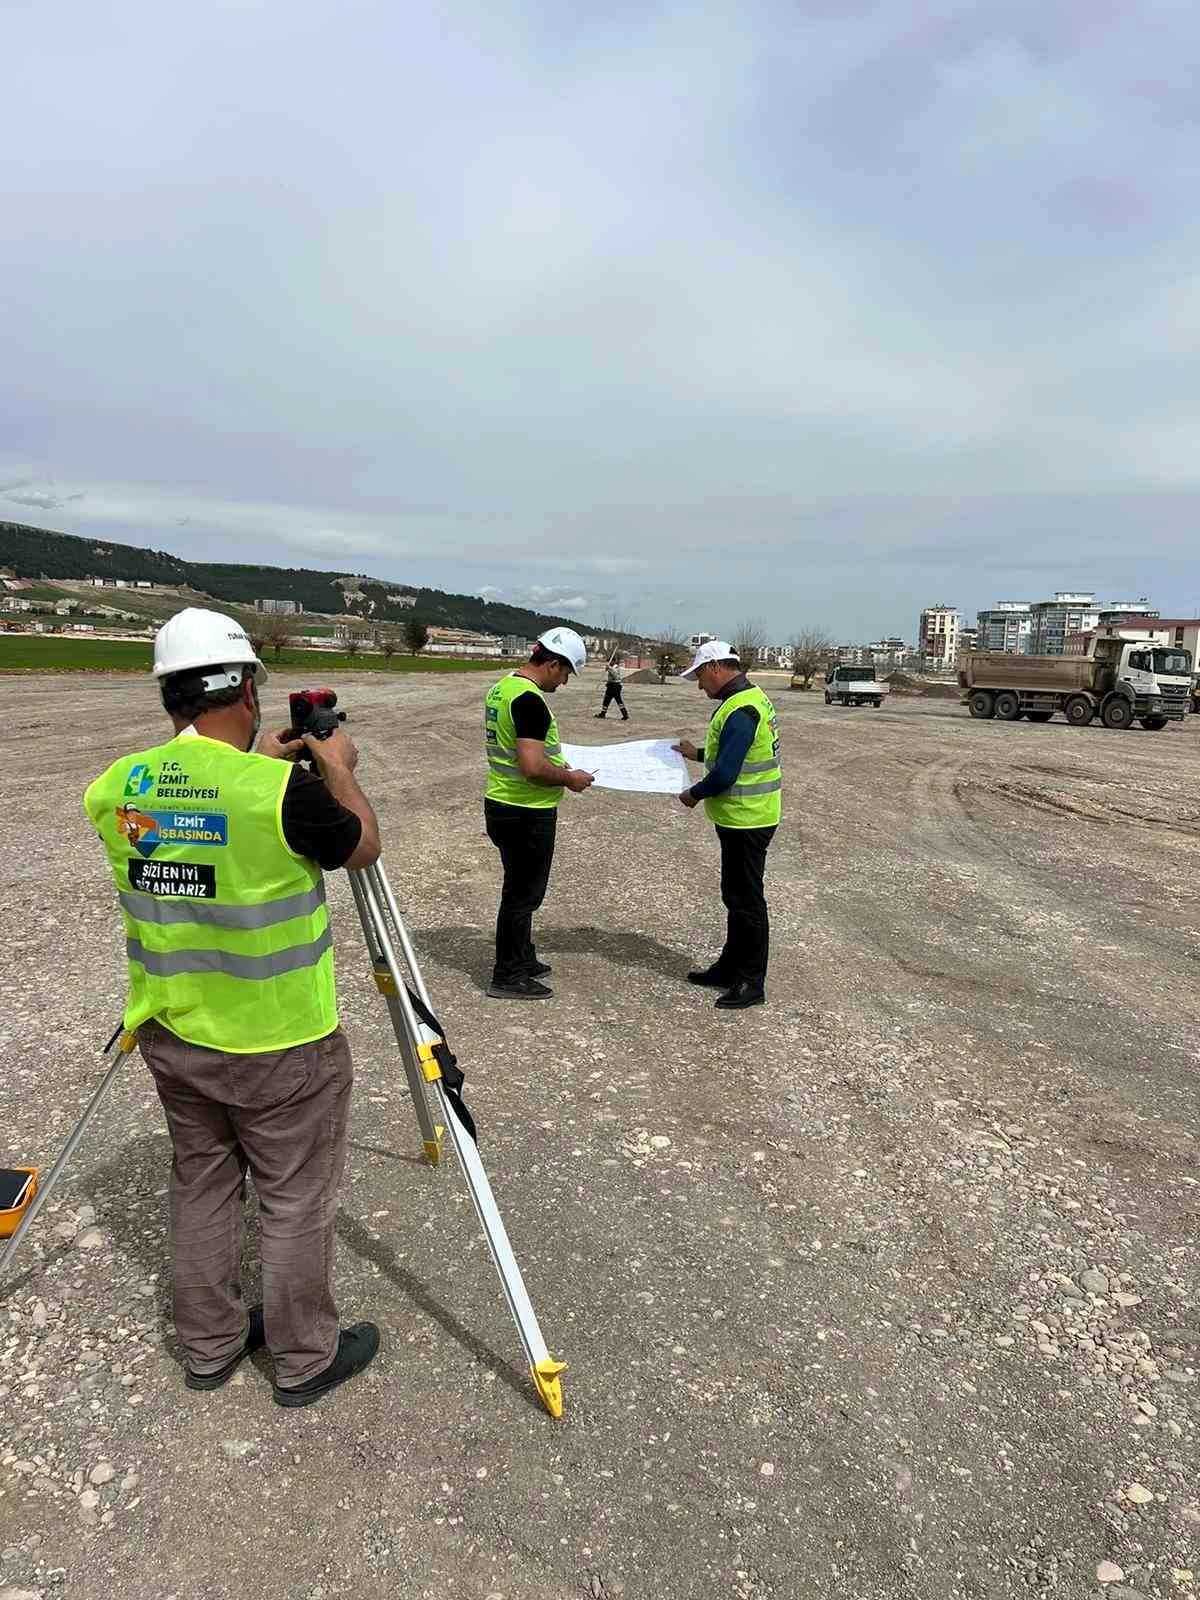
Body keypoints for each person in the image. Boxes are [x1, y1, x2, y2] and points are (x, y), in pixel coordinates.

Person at [83, 607, 382, 1408]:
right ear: (247, 689)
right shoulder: (280, 789)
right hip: (281, 1041)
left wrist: (262, 771)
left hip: (173, 1029)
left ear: (171, 698)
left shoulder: (119, 787)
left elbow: (193, 820)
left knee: (203, 1185)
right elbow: (360, 844)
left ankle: (209, 1345)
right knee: (292, 1200)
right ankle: (303, 1357)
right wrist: (338, 766)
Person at [483, 627, 594, 999]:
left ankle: (523, 956)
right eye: (566, 673)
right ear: (551, 663)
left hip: (503, 802)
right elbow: (532, 767)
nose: (564, 682)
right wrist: (569, 778)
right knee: (522, 895)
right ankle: (508, 975)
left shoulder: (503, 687)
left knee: (520, 889)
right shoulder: (530, 701)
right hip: (525, 810)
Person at [672, 639, 782, 1010]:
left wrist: (693, 794)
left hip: (748, 819)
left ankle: (751, 981)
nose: (700, 685)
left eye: (700, 677)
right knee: (735, 896)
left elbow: (727, 773)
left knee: (746, 901)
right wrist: (697, 753)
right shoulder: (747, 701)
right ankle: (729, 967)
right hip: (745, 817)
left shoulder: (740, 709)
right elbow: (734, 753)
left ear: (715, 668)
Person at [595, 652, 630, 721]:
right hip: (611, 686)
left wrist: (609, 669)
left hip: (615, 686)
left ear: (614, 661)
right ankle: (603, 713)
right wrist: (608, 669)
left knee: (618, 701)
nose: (609, 662)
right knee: (606, 700)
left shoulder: (616, 667)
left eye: (610, 661)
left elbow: (615, 676)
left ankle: (625, 715)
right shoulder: (611, 667)